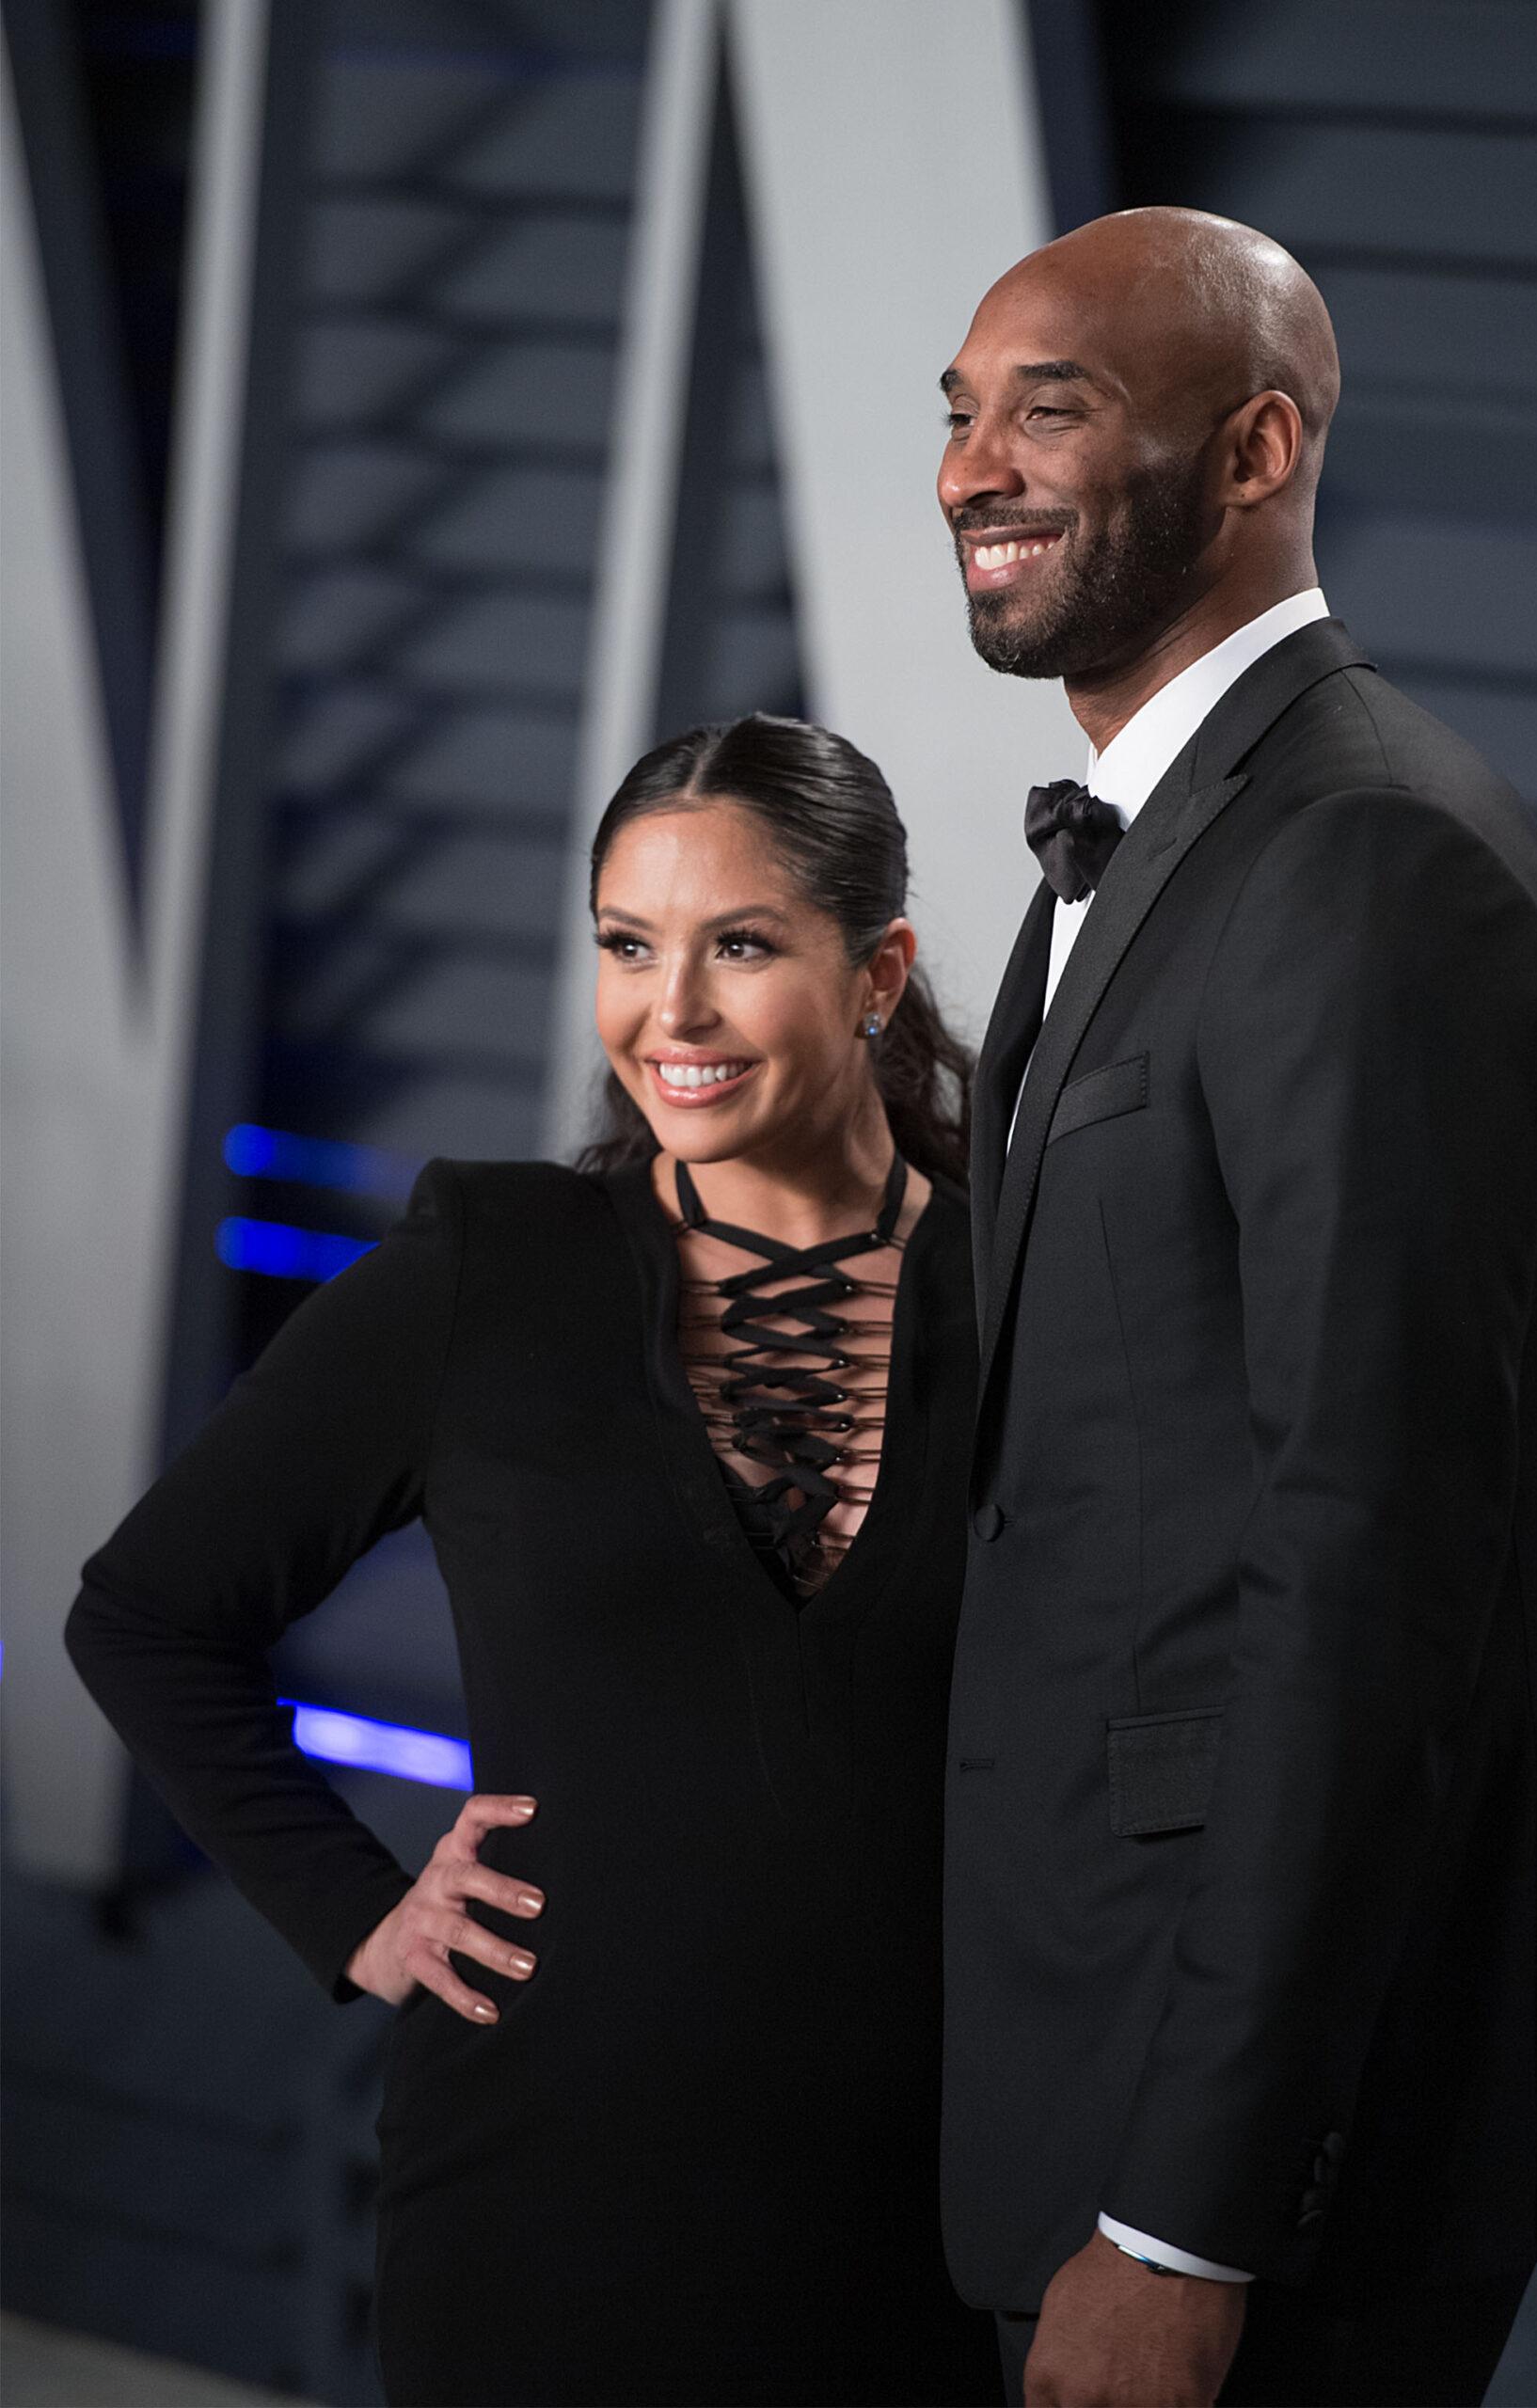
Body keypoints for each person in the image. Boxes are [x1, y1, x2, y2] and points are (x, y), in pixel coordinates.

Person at [934, 206, 1537, 2408]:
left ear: (1254, 446)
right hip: (1103, 2038)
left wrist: (1188, 2213)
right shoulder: (1182, 838)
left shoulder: (1364, 859)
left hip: (1249, 2141)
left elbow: (1363, 1545)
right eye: (961, 413)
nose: (974, 464)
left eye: (1048, 406)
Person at [66, 717, 1005, 2408]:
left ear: (879, 974)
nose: (673, 1014)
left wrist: (1531, 1639)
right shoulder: (490, 1276)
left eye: (739, 947)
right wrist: (358, 1912)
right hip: (542, 2205)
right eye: (629, 949)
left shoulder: (1042, 1297)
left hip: (927, 2221)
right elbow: (144, 1615)